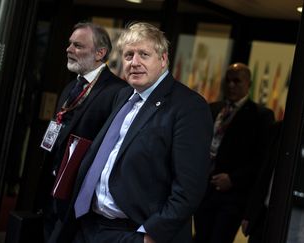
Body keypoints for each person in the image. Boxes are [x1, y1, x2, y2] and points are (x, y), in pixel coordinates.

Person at [48, 22, 213, 243]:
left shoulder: (188, 106)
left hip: (134, 232)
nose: (134, 63)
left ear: (163, 59)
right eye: (128, 56)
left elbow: (189, 190)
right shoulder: (123, 95)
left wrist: (150, 235)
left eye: (144, 54)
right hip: (90, 226)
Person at [37, 22, 127, 240]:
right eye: (70, 44)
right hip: (52, 193)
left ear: (100, 53)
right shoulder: (71, 87)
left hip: (78, 202)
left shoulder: (117, 91)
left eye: (78, 46)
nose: (69, 49)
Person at [193, 63, 275, 243]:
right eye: (228, 80)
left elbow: (260, 161)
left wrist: (233, 179)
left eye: (237, 81)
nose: (231, 85)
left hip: (232, 197)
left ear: (248, 84)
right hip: (204, 191)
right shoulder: (213, 109)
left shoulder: (260, 116)